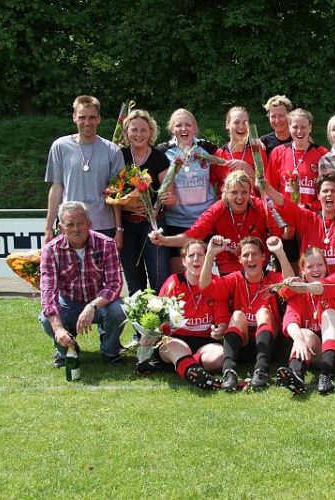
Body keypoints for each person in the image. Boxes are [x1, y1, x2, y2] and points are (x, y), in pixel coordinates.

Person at [38, 201, 126, 368]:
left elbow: (115, 284)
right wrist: (58, 329)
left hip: (99, 303)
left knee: (118, 310)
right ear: (61, 227)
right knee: (45, 319)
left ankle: (110, 351)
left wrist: (92, 307)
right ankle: (68, 349)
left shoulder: (107, 244)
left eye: (80, 224)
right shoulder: (50, 250)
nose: (76, 229)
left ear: (89, 224)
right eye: (70, 224)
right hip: (69, 303)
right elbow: (48, 291)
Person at [200, 235, 293, 391]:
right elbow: (205, 287)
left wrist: (280, 253)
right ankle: (229, 372)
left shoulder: (271, 278)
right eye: (245, 255)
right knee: (237, 315)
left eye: (255, 254)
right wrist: (210, 254)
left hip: (270, 345)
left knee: (263, 312)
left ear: (263, 257)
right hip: (242, 344)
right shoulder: (235, 279)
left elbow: (292, 287)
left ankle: (261, 371)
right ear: (240, 260)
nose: (250, 258)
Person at [148, 170, 283, 275]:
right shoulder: (218, 209)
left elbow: (279, 234)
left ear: (250, 193)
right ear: (225, 193)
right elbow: (193, 236)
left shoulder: (259, 206)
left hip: (256, 264)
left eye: (244, 192)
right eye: (234, 192)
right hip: (228, 267)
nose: (240, 197)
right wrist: (164, 240)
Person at [136, 240, 228, 390]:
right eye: (191, 255)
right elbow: (159, 316)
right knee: (171, 346)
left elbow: (222, 321)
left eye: (200, 255)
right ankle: (192, 370)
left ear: (208, 259)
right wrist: (149, 334)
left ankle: (184, 366)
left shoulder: (216, 283)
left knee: (220, 356)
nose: (196, 259)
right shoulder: (173, 282)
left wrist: (220, 330)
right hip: (176, 340)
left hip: (205, 342)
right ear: (184, 261)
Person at [275, 247, 335, 396]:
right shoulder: (298, 295)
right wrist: (298, 339)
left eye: (320, 265)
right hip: (323, 351)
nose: (315, 269)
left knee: (328, 314)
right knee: (303, 333)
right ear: (302, 271)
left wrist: (301, 286)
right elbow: (290, 321)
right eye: (310, 266)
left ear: (326, 267)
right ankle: (296, 376)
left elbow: (320, 288)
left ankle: (327, 375)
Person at [44, 95, 124, 247]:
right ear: (74, 117)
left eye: (92, 117)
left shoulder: (112, 151)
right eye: (82, 117)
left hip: (103, 226)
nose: (87, 123)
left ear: (99, 118)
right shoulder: (60, 147)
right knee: (69, 271)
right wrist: (48, 226)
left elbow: (117, 195)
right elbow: (56, 187)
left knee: (102, 272)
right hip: (70, 225)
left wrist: (119, 229)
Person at [265, 108, 329, 267]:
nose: (299, 131)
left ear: (310, 128)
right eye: (295, 127)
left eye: (303, 127)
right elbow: (269, 189)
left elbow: (327, 191)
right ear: (289, 127)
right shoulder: (278, 152)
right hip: (286, 222)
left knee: (310, 266)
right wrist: (278, 222)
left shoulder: (321, 153)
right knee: (287, 268)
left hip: (310, 219)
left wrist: (308, 206)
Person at [118, 109, 171, 296]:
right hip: (127, 226)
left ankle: (162, 324)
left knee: (161, 280)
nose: (139, 134)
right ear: (126, 132)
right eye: (134, 130)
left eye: (143, 129)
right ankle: (140, 325)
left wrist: (164, 202)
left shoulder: (159, 157)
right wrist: (126, 204)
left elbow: (169, 195)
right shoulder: (119, 156)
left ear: (151, 132)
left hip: (153, 225)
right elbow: (109, 192)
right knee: (135, 285)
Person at [260, 171, 335, 275]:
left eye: (333, 191)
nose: (329, 194)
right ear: (318, 195)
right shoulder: (308, 218)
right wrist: (266, 188)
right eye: (325, 191)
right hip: (309, 286)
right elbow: (285, 204)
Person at [156, 109, 219, 252]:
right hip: (175, 222)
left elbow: (227, 160)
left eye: (188, 125)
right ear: (172, 129)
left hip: (205, 220)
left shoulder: (207, 148)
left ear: (195, 129)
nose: (183, 129)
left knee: (203, 269)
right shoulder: (162, 151)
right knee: (180, 271)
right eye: (178, 125)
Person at [211, 106, 264, 197]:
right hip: (228, 209)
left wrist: (247, 169)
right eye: (236, 122)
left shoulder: (257, 152)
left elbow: (265, 189)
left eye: (245, 123)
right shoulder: (219, 154)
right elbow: (211, 188)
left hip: (253, 207)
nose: (241, 127)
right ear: (227, 125)